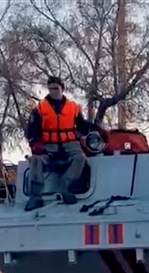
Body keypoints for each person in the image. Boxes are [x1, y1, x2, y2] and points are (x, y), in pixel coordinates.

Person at [25, 76, 107, 211]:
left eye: (56, 88)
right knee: (35, 160)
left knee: (80, 158)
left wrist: (96, 129)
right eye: (50, 89)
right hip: (48, 147)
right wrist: (35, 143)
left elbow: (81, 125)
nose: (53, 92)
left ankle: (66, 187)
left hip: (69, 145)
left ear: (62, 89)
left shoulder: (73, 107)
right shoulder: (40, 108)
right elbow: (32, 129)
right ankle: (35, 196)